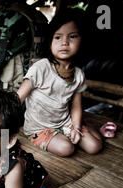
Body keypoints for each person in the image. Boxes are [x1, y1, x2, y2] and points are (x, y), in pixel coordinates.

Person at [17, 9, 102, 157]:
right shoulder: (41, 67)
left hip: (65, 122)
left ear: (83, 40)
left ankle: (83, 126)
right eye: (57, 37)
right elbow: (18, 98)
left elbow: (76, 106)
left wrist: (75, 127)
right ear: (49, 41)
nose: (64, 42)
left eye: (73, 36)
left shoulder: (78, 74)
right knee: (66, 148)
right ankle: (77, 131)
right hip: (39, 128)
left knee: (95, 146)